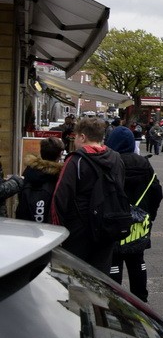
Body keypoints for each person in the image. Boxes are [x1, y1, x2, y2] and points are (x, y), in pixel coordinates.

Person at [52, 116, 127, 272]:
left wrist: (56, 231)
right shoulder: (116, 158)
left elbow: (60, 198)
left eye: (76, 137)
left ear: (83, 137)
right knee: (101, 278)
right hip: (107, 225)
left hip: (79, 230)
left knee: (76, 275)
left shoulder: (76, 161)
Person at [106, 126, 163, 302]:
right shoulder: (144, 164)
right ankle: (140, 299)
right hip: (139, 224)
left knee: (113, 262)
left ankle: (113, 300)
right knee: (137, 261)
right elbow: (157, 192)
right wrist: (149, 215)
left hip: (114, 222)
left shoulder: (108, 163)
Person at [16, 136, 63, 223]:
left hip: (24, 224)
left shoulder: (29, 170)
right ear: (60, 154)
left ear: (41, 152)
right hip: (47, 227)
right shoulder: (58, 176)